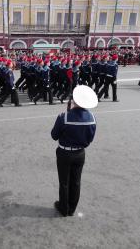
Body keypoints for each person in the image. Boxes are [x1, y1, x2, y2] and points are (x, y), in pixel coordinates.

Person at [51, 85, 97, 217]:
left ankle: (63, 208)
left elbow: (54, 135)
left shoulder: (63, 117)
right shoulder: (92, 118)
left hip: (65, 153)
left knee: (64, 182)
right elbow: (90, 139)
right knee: (76, 181)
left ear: (74, 101)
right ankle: (71, 209)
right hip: (80, 153)